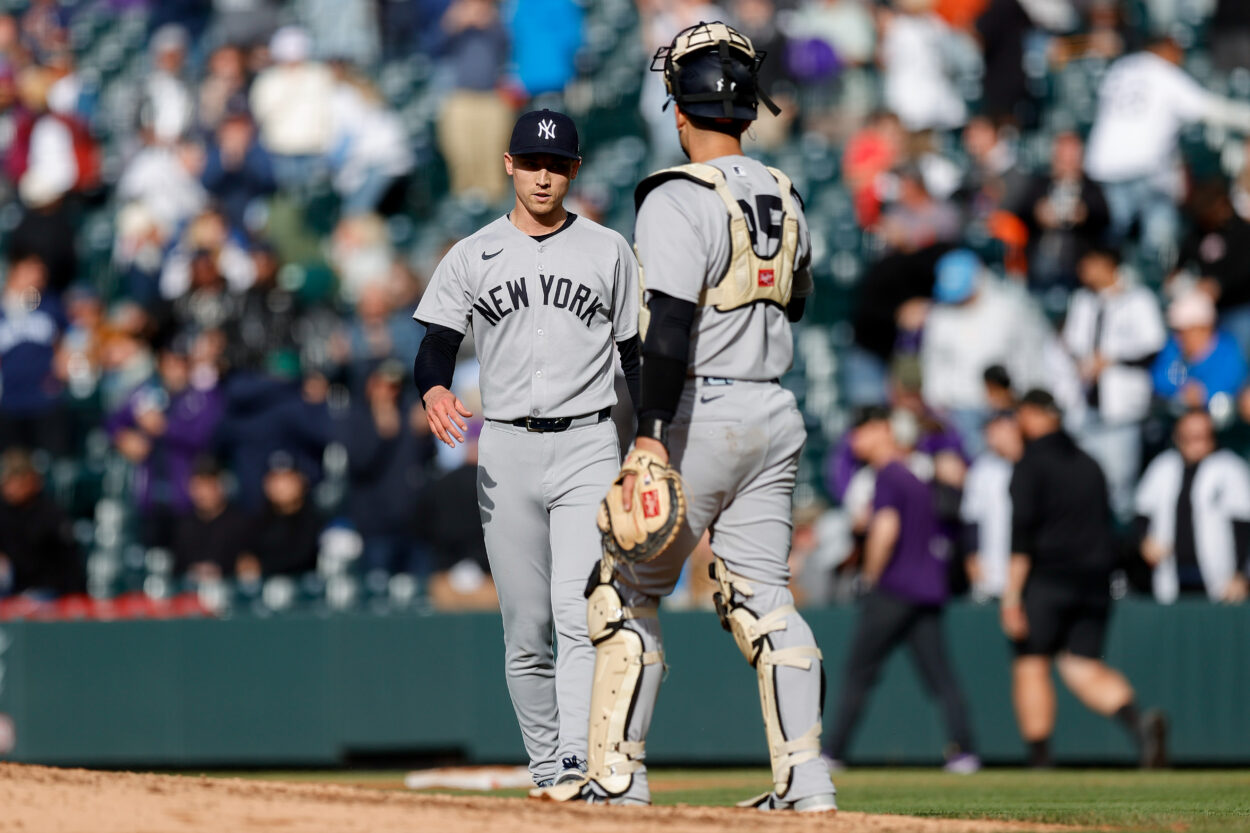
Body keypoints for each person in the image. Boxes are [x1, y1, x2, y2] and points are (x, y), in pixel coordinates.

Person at [542, 23, 835, 811]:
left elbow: (667, 328)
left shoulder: (678, 194)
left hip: (701, 407)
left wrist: (648, 434)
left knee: (622, 587)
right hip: (775, 406)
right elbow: (798, 302)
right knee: (765, 600)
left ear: (679, 109)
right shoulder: (786, 189)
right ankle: (808, 785)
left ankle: (618, 775)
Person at [412, 108, 640, 789]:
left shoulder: (607, 250)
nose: (544, 175)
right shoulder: (472, 252)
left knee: (578, 612)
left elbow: (636, 355)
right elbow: (435, 346)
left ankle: (576, 759)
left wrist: (654, 436)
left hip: (589, 442)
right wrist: (433, 390)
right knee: (526, 625)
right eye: (533, 162)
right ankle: (546, 769)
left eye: (558, 164)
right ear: (509, 164)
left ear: (573, 169)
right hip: (505, 445)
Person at [1004, 389, 1167, 769]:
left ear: (1032, 415)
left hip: (1048, 579)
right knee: (1081, 664)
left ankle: (1040, 760)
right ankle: (1139, 724)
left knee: (1032, 662)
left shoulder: (1031, 463)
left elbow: (1021, 535)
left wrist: (1012, 595)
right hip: (1095, 581)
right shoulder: (1090, 463)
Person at [824, 407, 980, 773]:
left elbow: (886, 530)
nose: (855, 440)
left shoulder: (890, 475)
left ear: (881, 430)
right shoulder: (918, 475)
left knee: (859, 673)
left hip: (894, 590)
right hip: (927, 590)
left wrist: (870, 576)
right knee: (941, 678)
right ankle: (965, 752)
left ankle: (833, 752)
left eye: (862, 430)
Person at [1084, 36, 1250, 270]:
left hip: (1103, 169)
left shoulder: (1121, 68)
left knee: (1113, 246)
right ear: (1165, 49)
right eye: (1177, 53)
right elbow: (1208, 109)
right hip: (1144, 169)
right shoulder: (1161, 71)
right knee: (1157, 250)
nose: (1180, 59)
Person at [1062, 245, 1166, 519]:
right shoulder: (1083, 300)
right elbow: (1073, 344)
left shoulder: (1139, 298)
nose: (1083, 272)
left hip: (1122, 410)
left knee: (1120, 486)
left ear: (1107, 263)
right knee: (1085, 485)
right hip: (1087, 405)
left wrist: (1110, 359)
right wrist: (1085, 363)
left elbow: (1152, 345)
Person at [1134, 409, 1250, 604]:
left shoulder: (1231, 468)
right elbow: (1141, 511)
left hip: (1220, 580)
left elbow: (1244, 526)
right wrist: (1145, 541)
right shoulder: (1163, 466)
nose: (1195, 443)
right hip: (1170, 576)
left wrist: (1241, 574)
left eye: (1202, 436)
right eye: (1189, 437)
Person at [0, 447, 80, 599]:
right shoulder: (3, 512)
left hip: (47, 592)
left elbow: (69, 566)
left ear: (32, 479)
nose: (9, 487)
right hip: (10, 590)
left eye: (15, 479)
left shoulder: (51, 514)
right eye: (7, 481)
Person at [961, 409, 1022, 600]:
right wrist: (974, 567)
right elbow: (971, 520)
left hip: (1030, 577)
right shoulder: (982, 469)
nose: (990, 435)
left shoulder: (1035, 464)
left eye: (996, 428)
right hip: (992, 577)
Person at [1151, 289, 1247, 411]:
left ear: (1204, 328)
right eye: (1177, 331)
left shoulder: (1228, 351)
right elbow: (1159, 378)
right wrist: (1181, 390)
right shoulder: (1173, 348)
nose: (1179, 337)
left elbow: (1235, 384)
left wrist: (1206, 393)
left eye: (1185, 331)